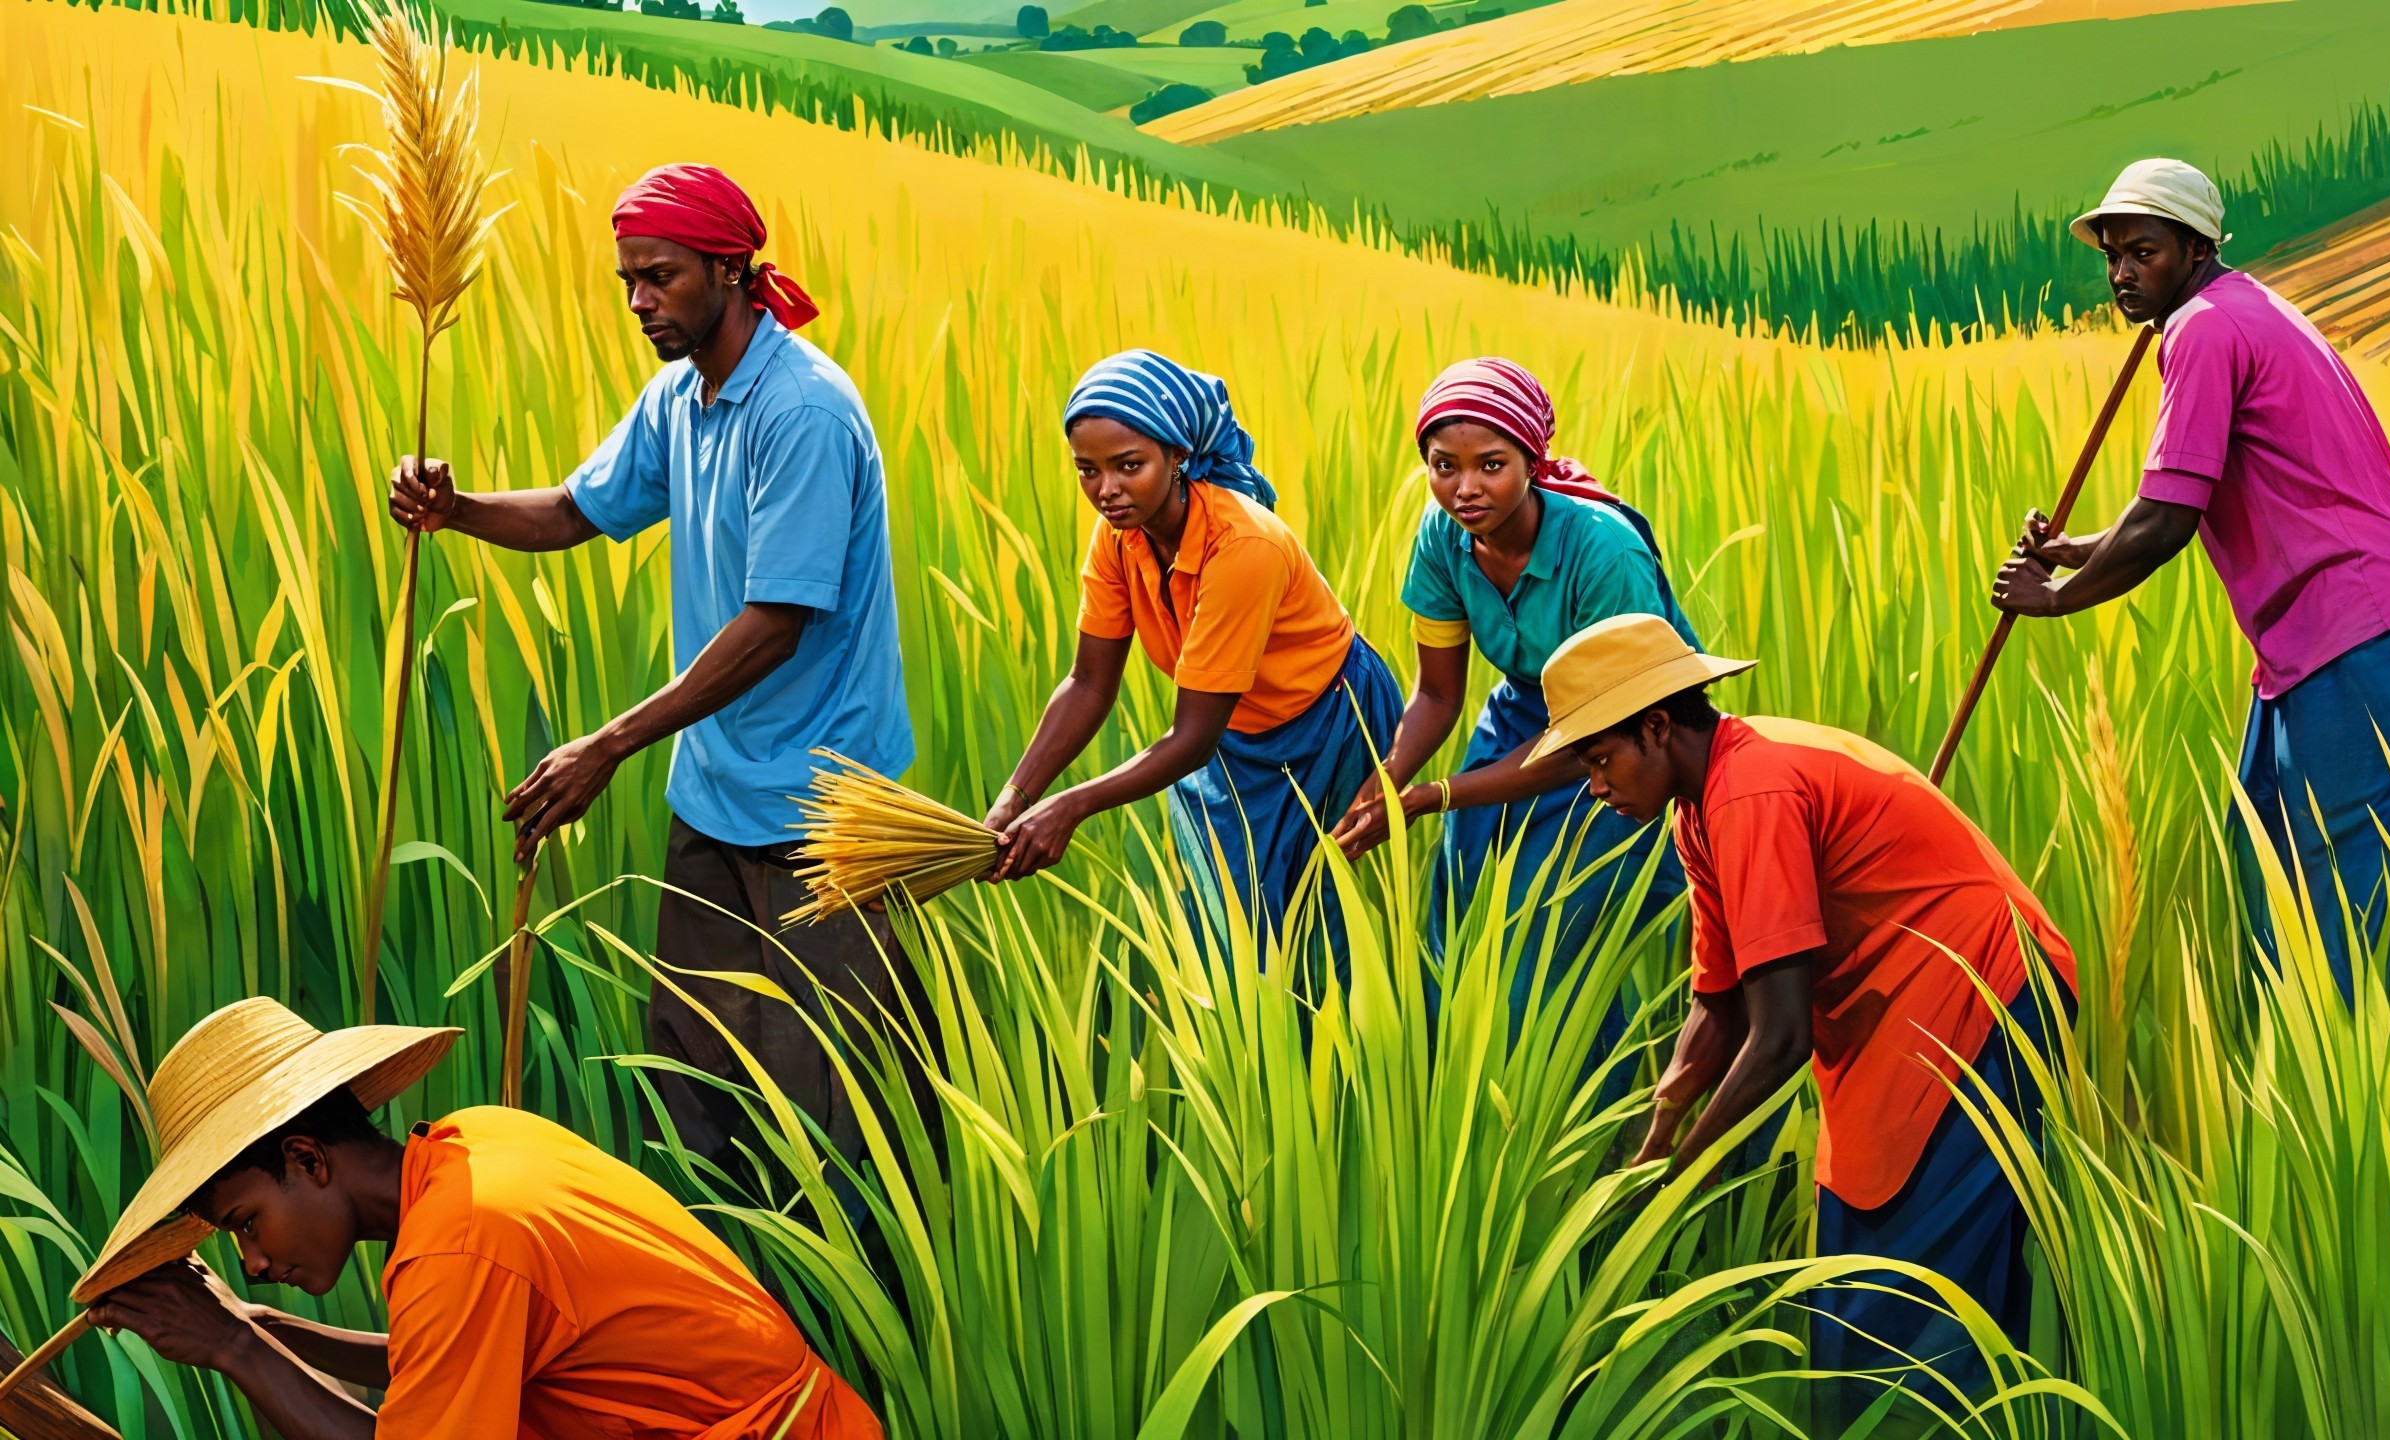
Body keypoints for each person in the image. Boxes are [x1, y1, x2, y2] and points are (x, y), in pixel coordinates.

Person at [386, 163, 925, 1173]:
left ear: (730, 271)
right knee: (699, 1091)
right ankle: (711, 1307)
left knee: (834, 1109)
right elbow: (576, 511)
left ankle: (839, 1327)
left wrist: (610, 742)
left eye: (660, 276)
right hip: (715, 801)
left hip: (824, 811)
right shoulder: (680, 398)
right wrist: (454, 509)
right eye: (628, 279)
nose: (638, 302)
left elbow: (778, 622)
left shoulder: (799, 412)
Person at [1538, 614, 2078, 1416]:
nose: (1595, 784)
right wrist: (1656, 1136)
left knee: (1910, 1306)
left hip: (1981, 997)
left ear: (1656, 728)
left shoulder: (1752, 790)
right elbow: (1717, 1004)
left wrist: (1683, 1178)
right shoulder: (1702, 810)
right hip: (1890, 1021)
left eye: (1600, 758)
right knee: (1851, 1285)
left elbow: (1780, 1035)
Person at [1991, 157, 2390, 996]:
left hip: (2353, 626)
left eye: (2144, 252)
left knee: (2343, 895)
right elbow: (2195, 492)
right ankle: (2321, 1054)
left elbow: (2167, 518)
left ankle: (2347, 1089)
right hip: (2359, 624)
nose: (2122, 274)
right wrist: (2076, 551)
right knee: (2275, 848)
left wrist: (2056, 598)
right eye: (2113, 256)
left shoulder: (2203, 328)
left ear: (2198, 248)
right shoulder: (2245, 308)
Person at [78, 998, 883, 1439]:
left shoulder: (462, 1244)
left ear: (308, 1160)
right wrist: (257, 1322)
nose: (251, 1260)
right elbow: (447, 1361)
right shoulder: (475, 1142)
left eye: (245, 1222)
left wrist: (231, 1346)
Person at [983, 349, 1402, 959]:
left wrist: (1070, 806)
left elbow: (1193, 737)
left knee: (1312, 931)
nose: (1107, 490)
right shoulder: (1119, 537)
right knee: (1227, 931)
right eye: (1087, 470)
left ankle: (1334, 1051)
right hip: (1233, 730)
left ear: (1178, 455)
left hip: (1326, 720)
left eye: (1129, 465)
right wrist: (1015, 797)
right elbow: (1089, 684)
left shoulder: (1242, 547)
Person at [1330, 357, 1693, 1034]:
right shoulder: (1444, 539)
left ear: (1532, 460)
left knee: (1554, 942)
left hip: (1636, 733)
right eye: (1444, 466)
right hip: (1527, 710)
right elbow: (1437, 696)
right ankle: (1465, 1093)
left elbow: (1599, 730)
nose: (1465, 488)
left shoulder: (1603, 552)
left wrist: (1434, 798)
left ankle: (1585, 1123)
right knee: (1459, 908)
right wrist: (1385, 784)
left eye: (1490, 465)